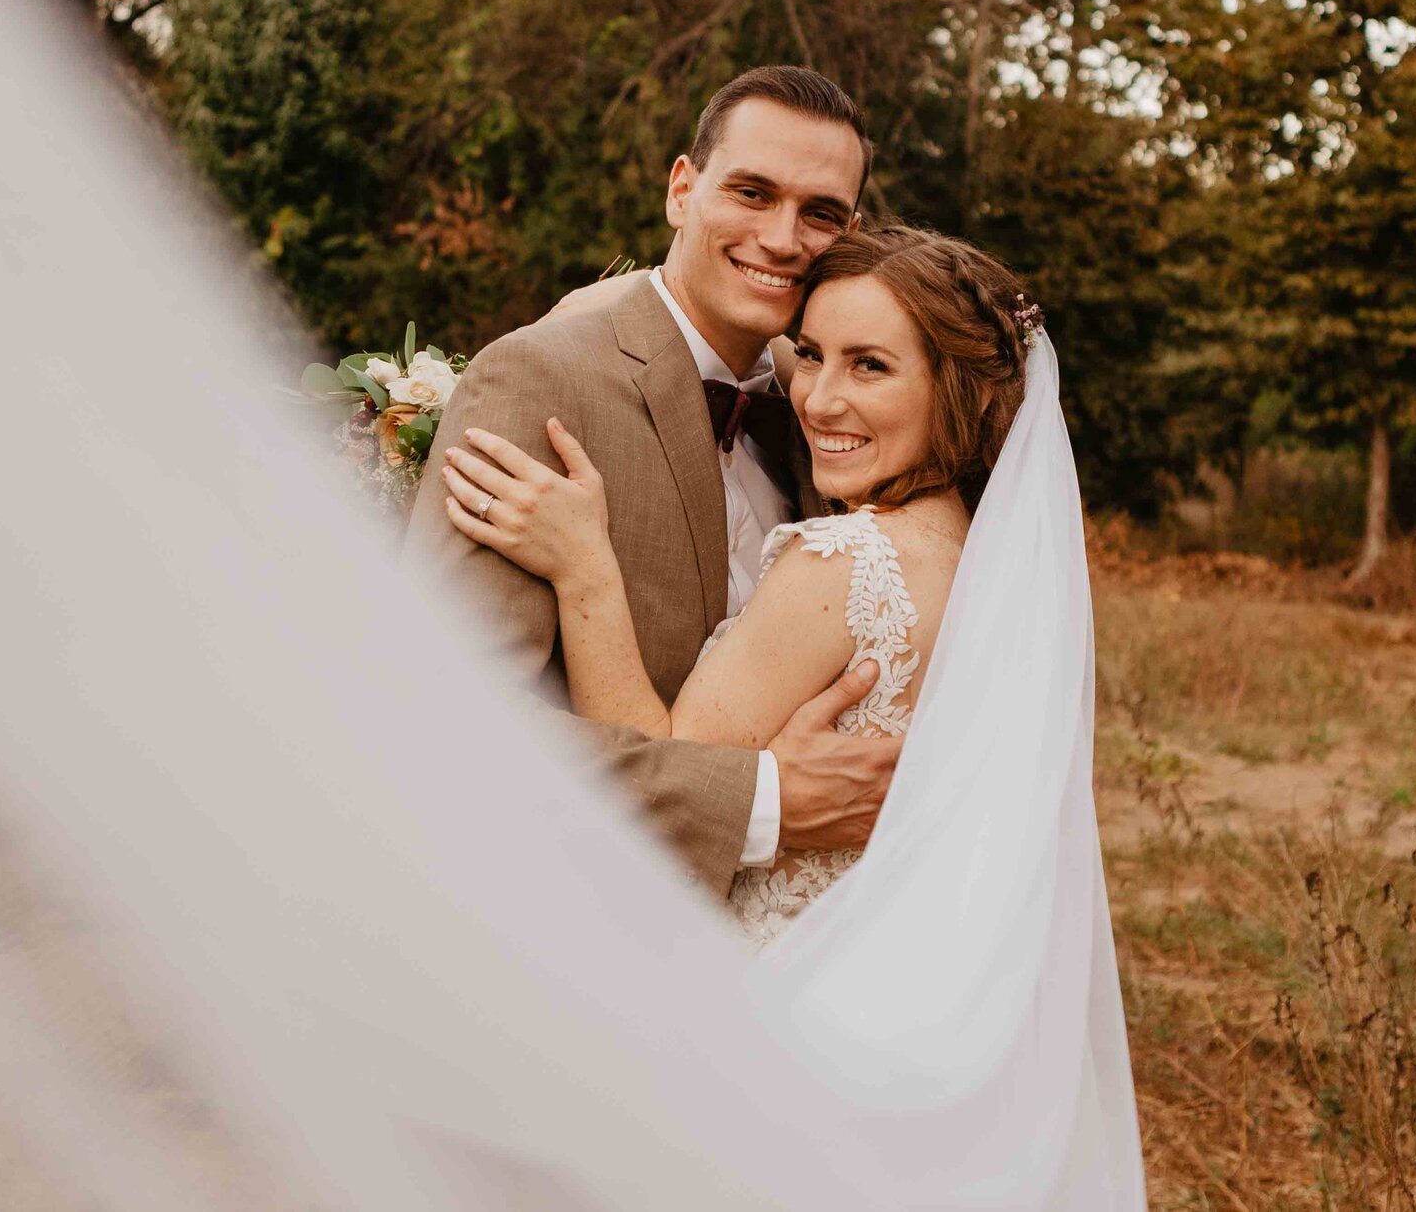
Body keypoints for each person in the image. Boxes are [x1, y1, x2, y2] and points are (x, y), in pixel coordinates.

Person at [440, 225, 1035, 943]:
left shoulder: (843, 562)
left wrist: (584, 568)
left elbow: (667, 773)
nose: (817, 399)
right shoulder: (990, 558)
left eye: (870, 366)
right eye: (811, 355)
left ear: (968, 395)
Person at [403, 66, 900, 892]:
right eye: (751, 192)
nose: (783, 239)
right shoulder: (539, 380)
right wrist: (760, 806)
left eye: (820, 213)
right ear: (682, 189)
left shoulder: (831, 411)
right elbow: (440, 719)